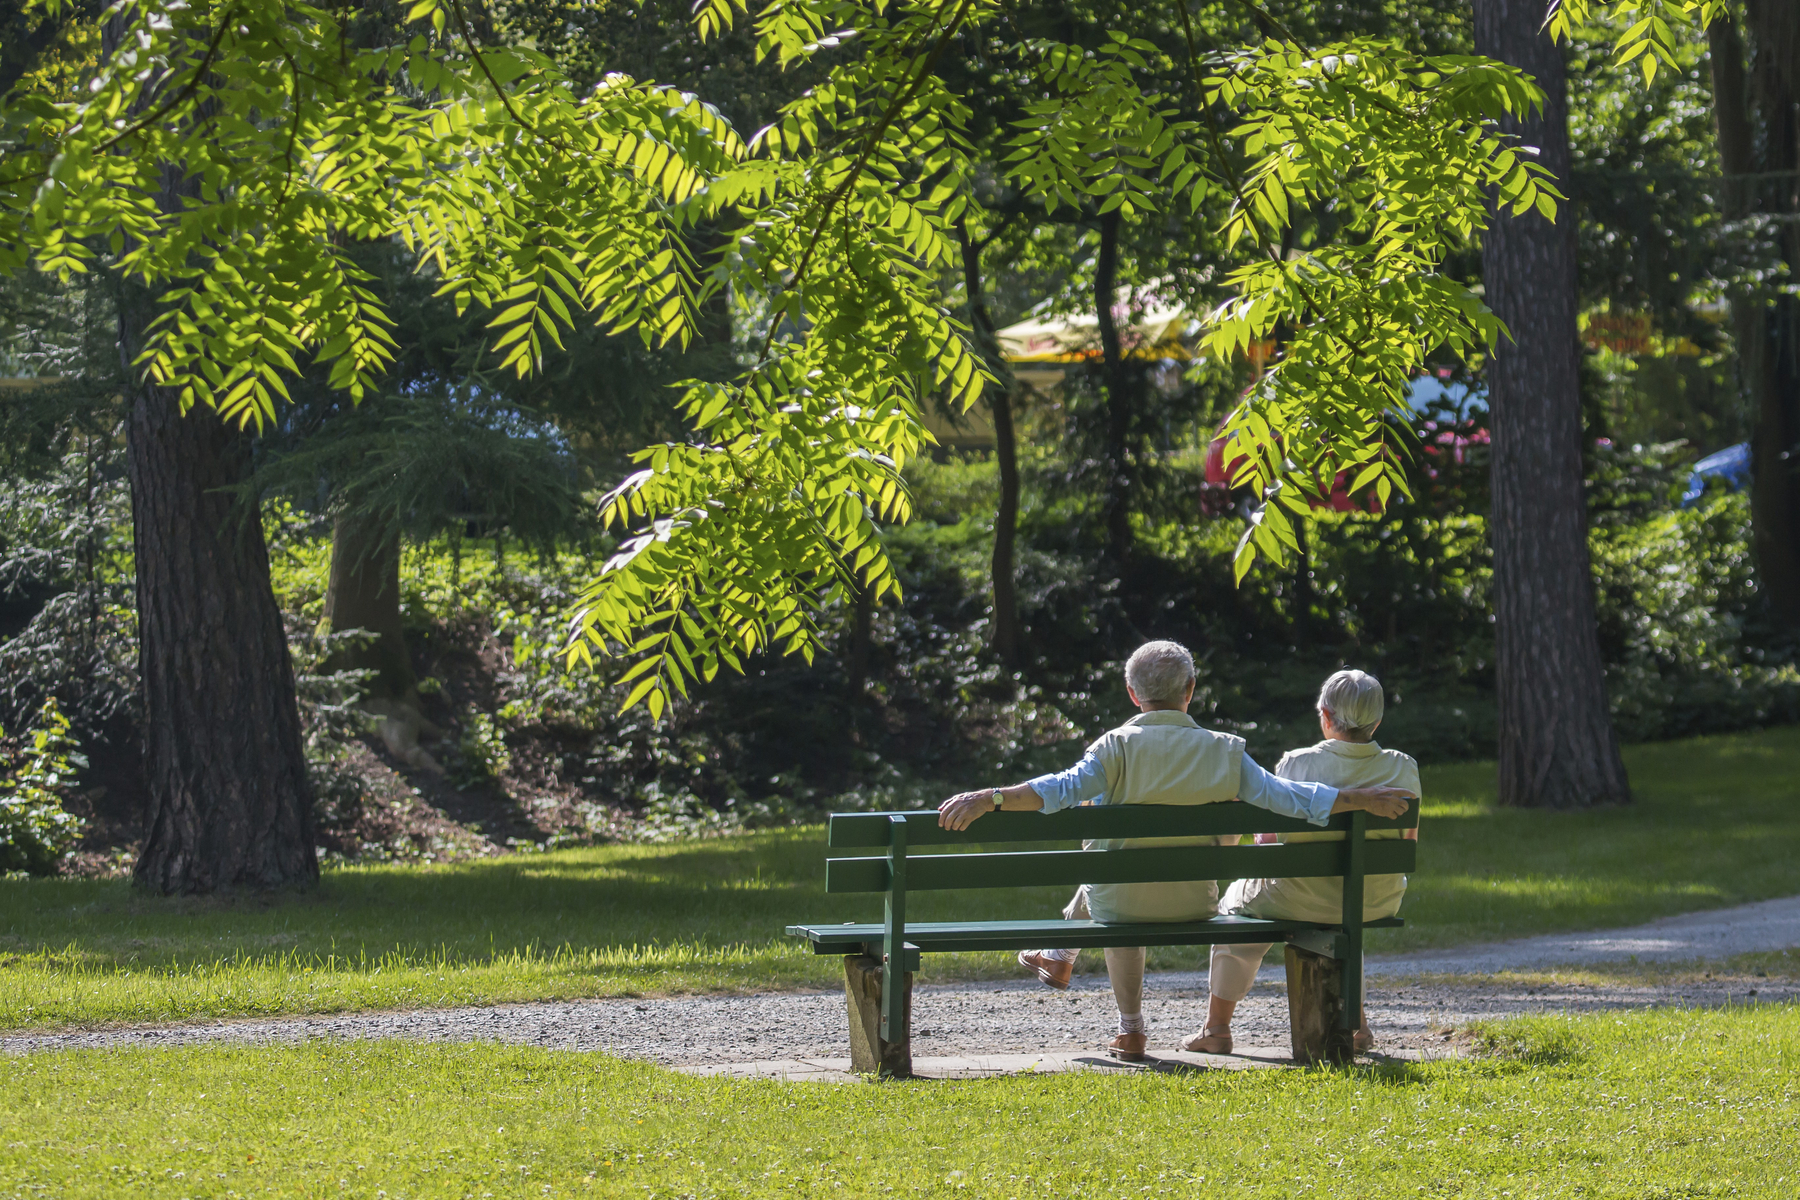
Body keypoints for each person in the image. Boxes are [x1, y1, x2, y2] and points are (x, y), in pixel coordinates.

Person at [936, 642, 1415, 1062]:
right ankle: (1064, 953)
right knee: (1116, 868)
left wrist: (990, 798)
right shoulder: (1224, 751)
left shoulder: (1114, 748)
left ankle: (1129, 1026)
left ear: (1132, 694)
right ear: (1190, 690)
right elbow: (1288, 798)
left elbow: (1056, 790)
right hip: (1196, 902)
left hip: (1119, 907)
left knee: (1110, 866)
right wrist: (1358, 799)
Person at [1183, 668, 1420, 1057]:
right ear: (1378, 721)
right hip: (1375, 897)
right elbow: (1407, 842)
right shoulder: (1404, 768)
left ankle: (1218, 1027)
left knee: (1235, 907)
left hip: (1298, 895)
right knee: (1346, 910)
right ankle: (1356, 1025)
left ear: (1325, 716)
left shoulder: (1297, 764)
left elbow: (1272, 840)